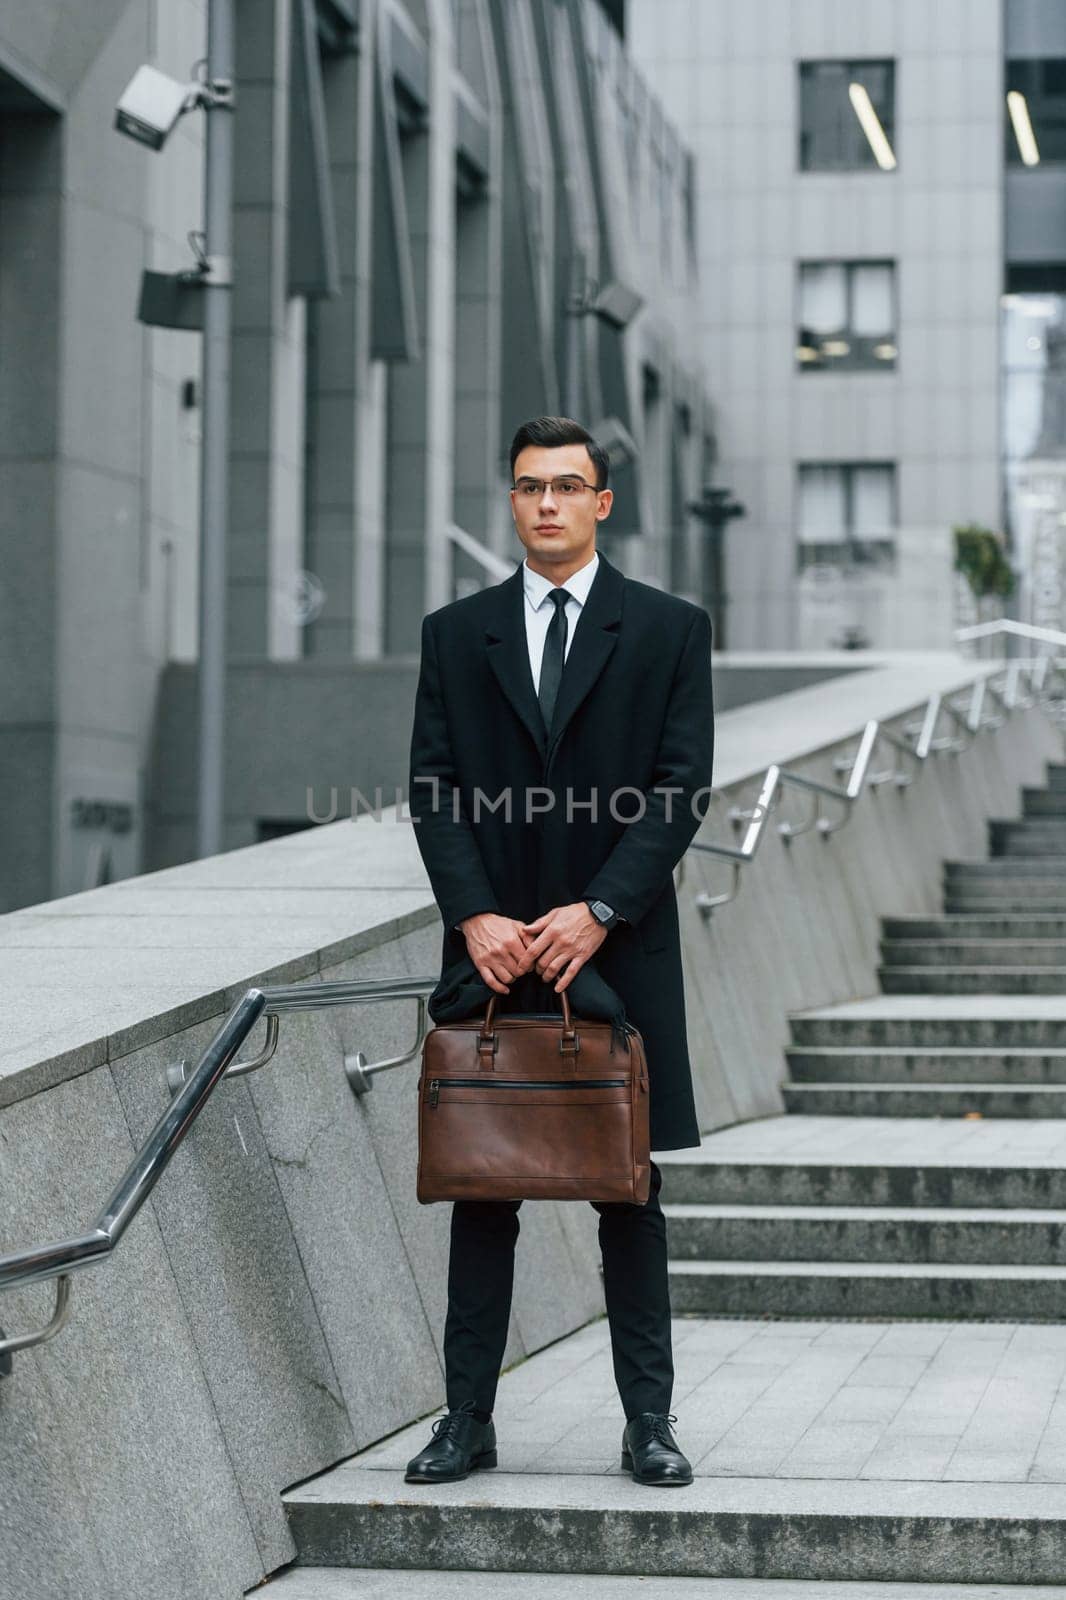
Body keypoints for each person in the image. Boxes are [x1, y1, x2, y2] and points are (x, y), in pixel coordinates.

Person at [405, 415, 715, 1487]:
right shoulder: (457, 631)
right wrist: (476, 914)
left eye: (566, 486)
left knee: (626, 1194)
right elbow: (433, 787)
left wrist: (599, 910)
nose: (545, 503)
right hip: (492, 962)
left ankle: (649, 1423)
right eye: (529, 485)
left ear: (601, 504)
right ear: (512, 500)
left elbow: (680, 789)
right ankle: (465, 1421)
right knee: (482, 1190)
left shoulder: (670, 629)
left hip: (614, 956)